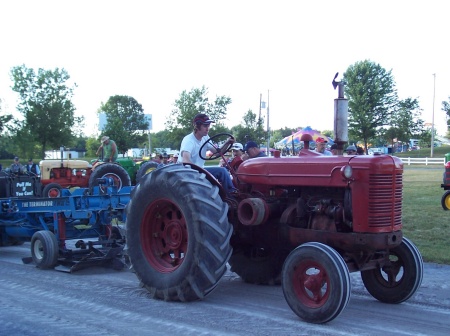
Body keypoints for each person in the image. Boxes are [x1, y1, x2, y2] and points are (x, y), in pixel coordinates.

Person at [179, 113, 237, 196]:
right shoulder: (189, 140)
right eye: (205, 126)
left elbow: (217, 152)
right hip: (187, 172)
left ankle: (232, 194)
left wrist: (227, 143)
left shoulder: (205, 137)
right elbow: (186, 160)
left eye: (208, 126)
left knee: (223, 171)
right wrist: (199, 171)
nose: (208, 128)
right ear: (197, 126)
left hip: (200, 170)